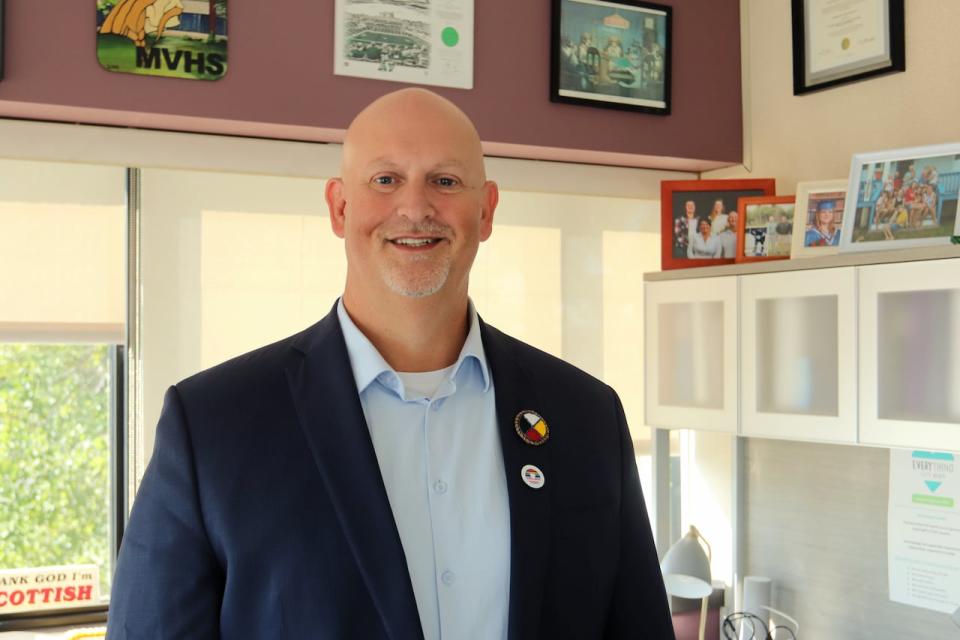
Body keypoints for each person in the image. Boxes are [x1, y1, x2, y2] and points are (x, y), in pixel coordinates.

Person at [106, 89, 674, 639]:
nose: (415, 207)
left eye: (445, 181)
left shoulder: (586, 417)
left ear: (487, 209)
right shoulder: (212, 425)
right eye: (386, 180)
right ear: (339, 206)